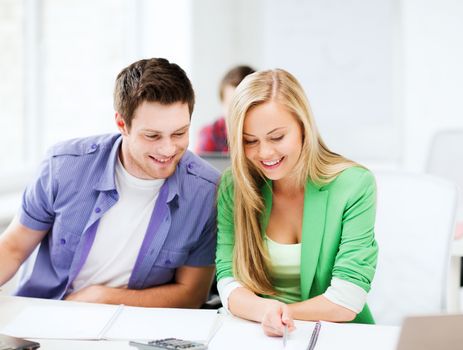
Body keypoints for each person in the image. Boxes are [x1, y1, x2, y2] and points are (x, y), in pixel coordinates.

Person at [0, 58, 220, 308]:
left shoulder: (206, 192)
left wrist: (102, 298)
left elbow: (192, 295)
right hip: (48, 314)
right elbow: (13, 248)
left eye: (180, 133)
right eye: (152, 135)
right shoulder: (63, 167)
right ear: (121, 124)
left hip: (136, 327)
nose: (168, 148)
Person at [215, 69, 378, 336]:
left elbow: (347, 300)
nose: (265, 152)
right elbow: (229, 282)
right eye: (250, 141)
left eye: (277, 137)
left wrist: (278, 314)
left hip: (337, 336)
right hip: (257, 335)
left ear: (303, 127)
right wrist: (265, 315)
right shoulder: (234, 186)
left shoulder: (354, 185)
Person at [196, 65, 255, 153]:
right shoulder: (210, 134)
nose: (237, 113)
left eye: (244, 105)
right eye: (230, 105)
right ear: (222, 104)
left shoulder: (264, 133)